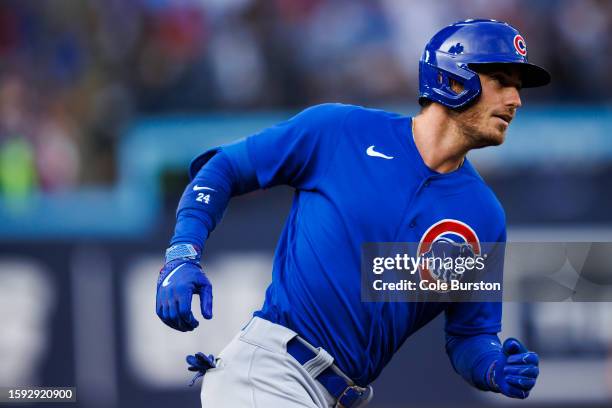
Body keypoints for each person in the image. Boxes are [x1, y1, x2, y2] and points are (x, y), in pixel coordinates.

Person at [156, 19, 550, 407]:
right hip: (271, 372)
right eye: (502, 80)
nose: (515, 100)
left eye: (517, 87)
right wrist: (181, 254)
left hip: (342, 397)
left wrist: (495, 367)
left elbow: (469, 336)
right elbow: (223, 168)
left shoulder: (484, 215)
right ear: (453, 78)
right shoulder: (339, 130)